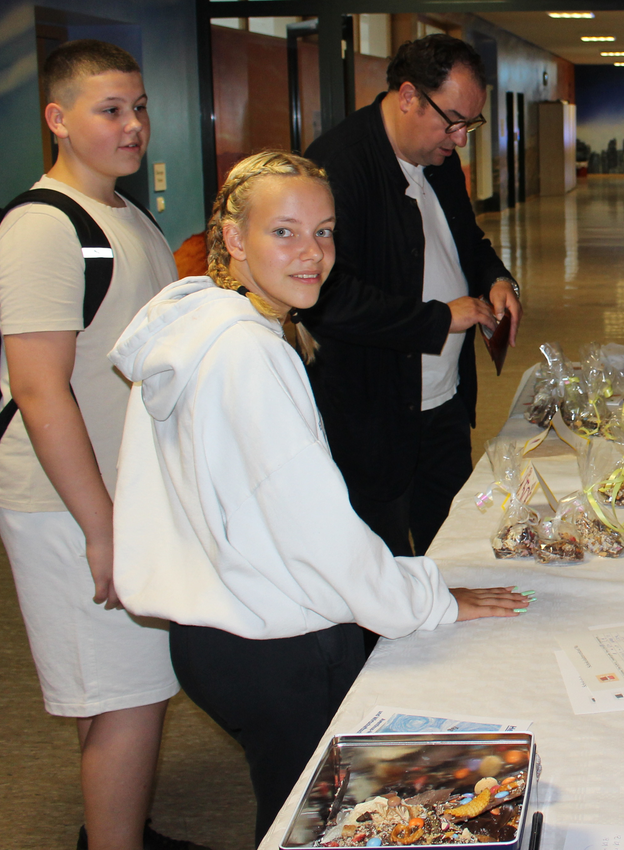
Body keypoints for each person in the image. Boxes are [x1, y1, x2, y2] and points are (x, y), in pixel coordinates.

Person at [110, 152, 529, 847]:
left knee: (291, 814)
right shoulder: (248, 354)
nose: (312, 253)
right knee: (318, 826)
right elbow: (319, 534)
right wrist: (430, 599)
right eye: (285, 232)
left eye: (325, 232)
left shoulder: (198, 333)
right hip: (274, 646)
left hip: (216, 633)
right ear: (234, 238)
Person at [0, 40, 203, 850]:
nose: (133, 124)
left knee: (119, 688)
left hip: (119, 493)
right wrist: (102, 527)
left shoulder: (123, 214)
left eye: (139, 107)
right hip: (67, 502)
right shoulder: (43, 229)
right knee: (127, 694)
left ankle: (117, 832)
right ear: (58, 118)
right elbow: (40, 390)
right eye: (110, 109)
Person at [301, 35, 522, 558]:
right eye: (453, 121)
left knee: (451, 551)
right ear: (408, 97)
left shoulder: (438, 159)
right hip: (374, 419)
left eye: (470, 124)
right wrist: (438, 319)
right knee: (381, 564)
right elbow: (327, 297)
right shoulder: (337, 166)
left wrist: (496, 279)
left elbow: (468, 241)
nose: (460, 138)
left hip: (444, 403)